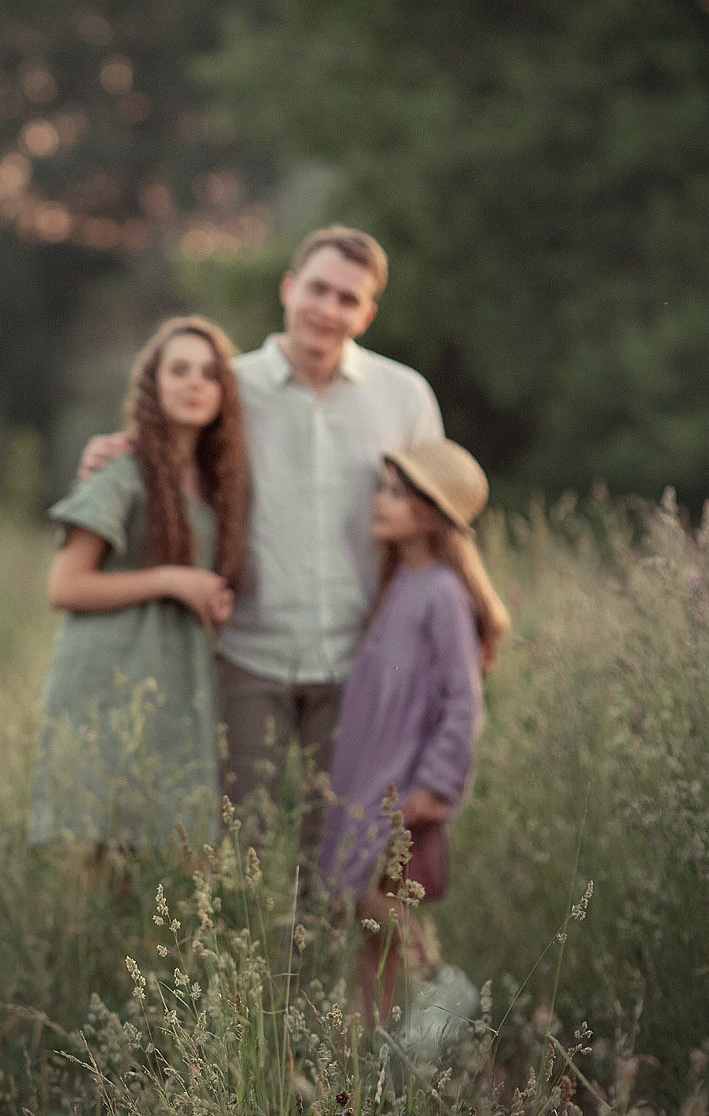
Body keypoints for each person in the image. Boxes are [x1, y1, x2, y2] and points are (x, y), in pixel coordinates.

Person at [81, 227, 445, 853]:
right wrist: (112, 452)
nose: (328, 309)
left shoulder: (403, 395)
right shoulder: (230, 389)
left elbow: (436, 515)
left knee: (342, 853)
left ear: (367, 314)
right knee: (236, 849)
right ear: (288, 288)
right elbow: (165, 453)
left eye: (348, 299)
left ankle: (325, 924)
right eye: (317, 290)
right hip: (249, 657)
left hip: (361, 661)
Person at [32, 317, 250, 847]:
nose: (195, 383)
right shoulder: (120, 469)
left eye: (209, 374)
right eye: (179, 370)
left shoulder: (215, 483)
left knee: (172, 852)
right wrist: (173, 580)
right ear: (153, 384)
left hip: (175, 683)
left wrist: (209, 599)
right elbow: (65, 586)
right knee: (98, 851)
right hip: (107, 680)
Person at [317, 438, 507, 1027]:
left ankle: (443, 983)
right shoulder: (399, 581)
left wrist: (436, 783)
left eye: (397, 494)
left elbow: (463, 702)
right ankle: (377, 1037)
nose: (379, 501)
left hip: (405, 780)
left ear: (430, 513)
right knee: (365, 916)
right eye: (382, 488)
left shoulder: (443, 594)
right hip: (367, 771)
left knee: (363, 894)